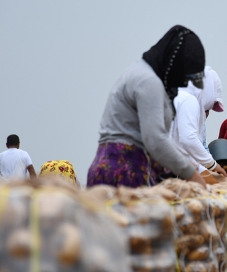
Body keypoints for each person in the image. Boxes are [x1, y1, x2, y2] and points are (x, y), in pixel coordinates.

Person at [86, 25, 206, 188]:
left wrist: (188, 166)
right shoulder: (148, 81)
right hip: (121, 173)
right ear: (174, 64)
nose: (184, 82)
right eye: (184, 75)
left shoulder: (147, 77)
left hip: (132, 168)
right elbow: (155, 140)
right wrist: (192, 175)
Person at [172, 66, 227, 176]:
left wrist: (202, 169)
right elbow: (189, 140)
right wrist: (212, 165)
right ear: (207, 89)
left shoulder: (175, 95)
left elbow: (179, 146)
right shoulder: (188, 100)